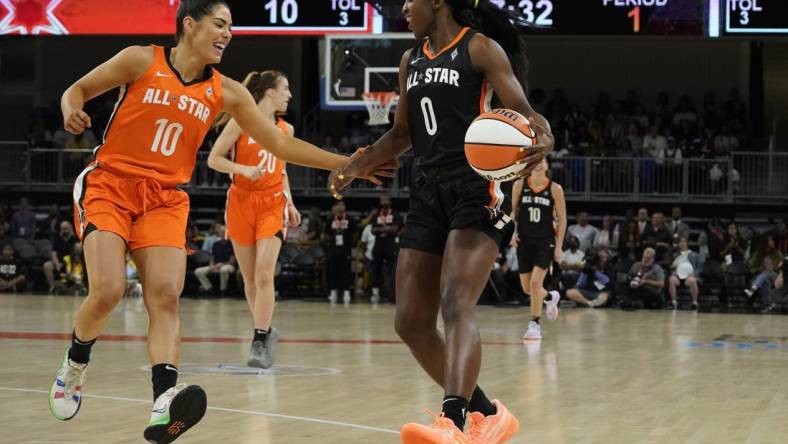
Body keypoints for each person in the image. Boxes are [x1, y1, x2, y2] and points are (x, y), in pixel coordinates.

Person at [47, 1, 390, 442]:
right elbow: (76, 90)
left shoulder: (228, 92)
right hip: (110, 185)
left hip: (165, 199)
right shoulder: (140, 59)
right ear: (190, 24)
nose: (228, 33)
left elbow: (280, 146)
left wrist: (348, 164)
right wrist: (70, 110)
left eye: (231, 26)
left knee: (167, 296)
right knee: (109, 289)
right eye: (220, 24)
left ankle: (163, 402)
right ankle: (75, 364)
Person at [328, 1, 554, 441]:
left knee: (455, 301)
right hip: (428, 191)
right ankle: (487, 412)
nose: (404, 8)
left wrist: (544, 135)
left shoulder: (480, 49)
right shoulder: (410, 60)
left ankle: (453, 422)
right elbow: (401, 134)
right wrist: (356, 165)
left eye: (411, 0)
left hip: (478, 188)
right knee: (410, 321)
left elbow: (527, 112)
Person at [207, 70, 302, 368]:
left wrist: (290, 202)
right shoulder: (240, 122)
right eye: (285, 88)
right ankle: (266, 329)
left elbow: (282, 168)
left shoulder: (286, 130)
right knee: (249, 279)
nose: (289, 94)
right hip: (240, 201)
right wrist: (242, 170)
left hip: (272, 202)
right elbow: (214, 159)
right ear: (270, 93)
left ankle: (259, 338)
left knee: (263, 274)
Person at [511, 158, 566, 340]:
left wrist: (558, 246)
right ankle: (550, 297)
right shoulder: (519, 185)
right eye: (536, 162)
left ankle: (534, 324)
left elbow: (563, 220)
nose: (540, 164)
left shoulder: (555, 189)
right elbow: (512, 213)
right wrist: (512, 232)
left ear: (547, 166)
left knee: (535, 283)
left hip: (545, 242)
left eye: (543, 161)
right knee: (527, 289)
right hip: (524, 241)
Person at [370, 195, 402, 303]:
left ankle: (391, 293)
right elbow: (373, 230)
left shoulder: (395, 215)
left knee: (391, 270)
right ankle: (375, 293)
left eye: (386, 199)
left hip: (390, 245)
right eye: (382, 199)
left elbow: (395, 229)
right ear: (380, 202)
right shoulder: (376, 215)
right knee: (376, 269)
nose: (384, 201)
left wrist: (381, 229)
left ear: (390, 202)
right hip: (378, 245)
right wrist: (387, 228)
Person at [325, 201, 357, 304]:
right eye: (338, 205)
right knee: (333, 271)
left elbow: (355, 232)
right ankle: (333, 292)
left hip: (345, 250)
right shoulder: (330, 219)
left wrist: (350, 242)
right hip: (334, 250)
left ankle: (346, 292)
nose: (340, 206)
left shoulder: (350, 219)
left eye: (342, 204)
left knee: (346, 271)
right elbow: (326, 233)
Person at [194, 225, 236, 296]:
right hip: (216, 265)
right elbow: (212, 257)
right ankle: (209, 288)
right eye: (221, 232)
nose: (223, 234)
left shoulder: (231, 244)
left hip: (229, 266)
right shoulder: (215, 244)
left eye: (224, 232)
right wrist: (212, 265)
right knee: (198, 271)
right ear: (218, 234)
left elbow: (232, 261)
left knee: (223, 270)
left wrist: (221, 265)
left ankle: (223, 290)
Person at [667, 237, 702, 310]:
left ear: (687, 243)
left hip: (689, 277)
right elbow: (672, 267)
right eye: (681, 242)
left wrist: (694, 274)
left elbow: (699, 267)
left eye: (684, 242)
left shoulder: (694, 254)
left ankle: (694, 302)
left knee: (692, 280)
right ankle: (674, 302)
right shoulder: (675, 255)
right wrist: (673, 272)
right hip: (678, 277)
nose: (682, 244)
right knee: (671, 279)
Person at [43, 221, 79, 293]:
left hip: (72, 263)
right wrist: (57, 264)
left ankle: (76, 287)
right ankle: (52, 287)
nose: (64, 230)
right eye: (62, 229)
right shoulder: (57, 239)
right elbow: (53, 253)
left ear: (70, 228)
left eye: (66, 228)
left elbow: (78, 253)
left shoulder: (75, 239)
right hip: (59, 262)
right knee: (47, 265)